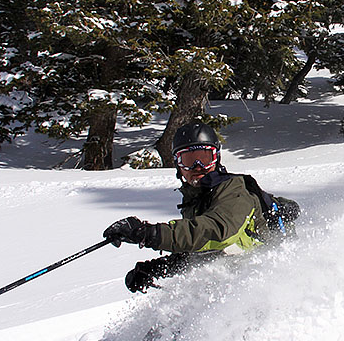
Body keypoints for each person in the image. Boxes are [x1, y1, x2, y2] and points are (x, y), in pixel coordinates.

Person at [104, 121, 281, 293]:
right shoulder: (195, 200)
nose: (198, 167)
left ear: (216, 159)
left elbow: (219, 232)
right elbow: (197, 251)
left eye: (204, 158)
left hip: (262, 284)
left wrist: (149, 233)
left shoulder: (235, 191)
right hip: (230, 287)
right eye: (188, 160)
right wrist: (155, 269)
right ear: (178, 166)